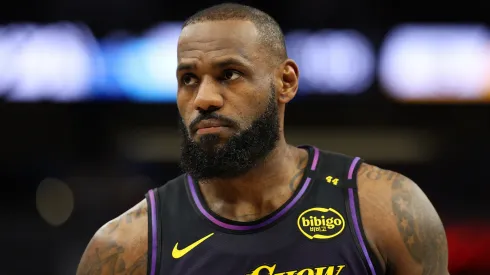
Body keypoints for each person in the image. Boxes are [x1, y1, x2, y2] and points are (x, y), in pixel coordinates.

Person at [76, 3, 449, 275]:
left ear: (285, 82)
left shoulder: (385, 208)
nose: (204, 99)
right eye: (188, 79)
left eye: (229, 74)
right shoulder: (125, 247)